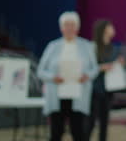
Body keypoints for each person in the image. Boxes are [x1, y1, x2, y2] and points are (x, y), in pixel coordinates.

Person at [37, 11, 98, 141]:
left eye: (72, 25)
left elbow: (95, 69)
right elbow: (41, 71)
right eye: (66, 25)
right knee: (56, 132)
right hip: (57, 94)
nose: (69, 28)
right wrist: (53, 77)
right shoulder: (52, 46)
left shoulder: (87, 46)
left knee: (79, 132)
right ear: (61, 27)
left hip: (78, 94)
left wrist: (87, 76)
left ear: (77, 27)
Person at [86, 19, 124, 141]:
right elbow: (88, 68)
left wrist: (119, 63)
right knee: (90, 121)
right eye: (110, 26)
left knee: (104, 123)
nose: (113, 29)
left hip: (108, 90)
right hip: (95, 89)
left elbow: (113, 65)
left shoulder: (113, 48)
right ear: (104, 29)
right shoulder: (93, 47)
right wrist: (102, 67)